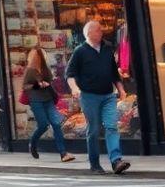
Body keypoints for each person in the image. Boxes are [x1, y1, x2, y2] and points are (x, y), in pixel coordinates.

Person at [66, 20, 129, 174]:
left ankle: (116, 160)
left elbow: (114, 72)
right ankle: (95, 164)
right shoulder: (80, 51)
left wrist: (121, 89)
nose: (102, 32)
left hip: (108, 95)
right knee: (93, 130)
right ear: (89, 34)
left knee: (111, 126)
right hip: (89, 96)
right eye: (98, 30)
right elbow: (70, 74)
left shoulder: (107, 49)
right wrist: (75, 88)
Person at [23, 47, 73, 162]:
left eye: (38, 55)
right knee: (43, 125)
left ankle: (63, 153)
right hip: (36, 101)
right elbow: (25, 86)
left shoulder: (45, 68)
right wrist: (37, 85)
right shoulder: (29, 70)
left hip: (48, 99)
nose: (36, 58)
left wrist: (47, 83)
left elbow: (51, 81)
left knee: (56, 124)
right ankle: (33, 144)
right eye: (34, 55)